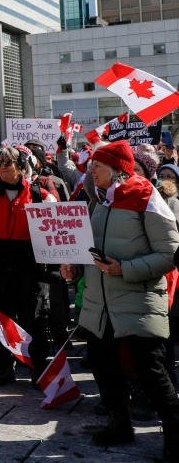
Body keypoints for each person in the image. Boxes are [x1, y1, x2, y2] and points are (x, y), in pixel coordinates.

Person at [60, 141, 179, 459]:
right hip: (101, 306)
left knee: (151, 372)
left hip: (137, 302)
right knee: (103, 364)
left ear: (115, 171)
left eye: (96, 165)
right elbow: (92, 249)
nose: (90, 170)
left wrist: (124, 269)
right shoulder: (98, 201)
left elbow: (169, 255)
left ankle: (175, 435)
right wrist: (73, 266)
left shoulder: (147, 198)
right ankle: (119, 424)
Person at [0, 146, 56, 387]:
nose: (3, 166)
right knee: (2, 319)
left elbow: (55, 232)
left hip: (30, 265)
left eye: (9, 162)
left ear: (22, 165)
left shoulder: (41, 196)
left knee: (34, 318)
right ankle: (6, 366)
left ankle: (37, 367)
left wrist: (56, 264)